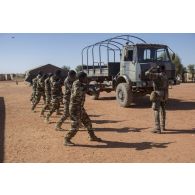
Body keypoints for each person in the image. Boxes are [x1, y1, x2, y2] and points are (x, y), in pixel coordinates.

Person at [64, 71, 102, 146]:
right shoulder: (76, 83)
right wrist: (87, 87)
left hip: (80, 108)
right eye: (85, 77)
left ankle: (92, 136)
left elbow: (88, 92)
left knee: (88, 122)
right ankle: (66, 139)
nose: (86, 79)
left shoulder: (82, 84)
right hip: (74, 108)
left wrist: (95, 91)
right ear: (81, 78)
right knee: (76, 125)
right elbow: (76, 92)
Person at [145, 64, 169, 134]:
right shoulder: (166, 76)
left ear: (159, 69)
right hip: (165, 94)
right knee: (163, 110)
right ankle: (163, 126)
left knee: (156, 110)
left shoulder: (157, 75)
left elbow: (146, 74)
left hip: (158, 94)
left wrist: (151, 69)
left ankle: (157, 128)